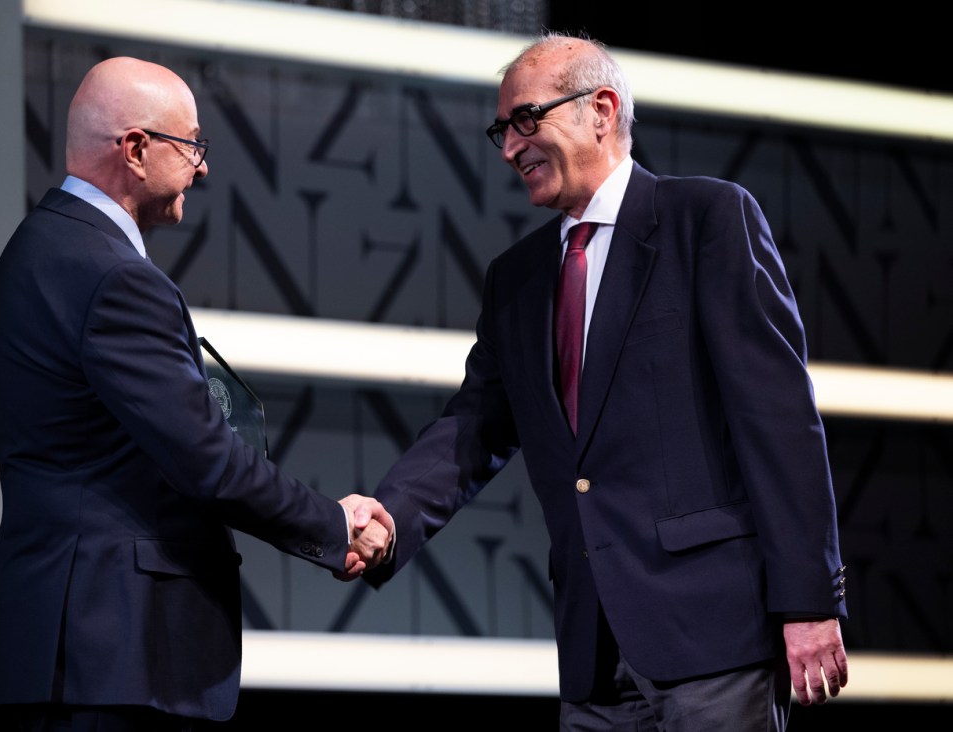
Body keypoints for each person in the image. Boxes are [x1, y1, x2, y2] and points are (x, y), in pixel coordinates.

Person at [359, 32, 848, 730]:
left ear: (602, 109)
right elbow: (471, 428)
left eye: (526, 119)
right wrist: (386, 519)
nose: (508, 148)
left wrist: (808, 600)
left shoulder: (705, 219)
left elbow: (779, 423)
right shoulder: (516, 280)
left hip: (714, 634)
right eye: (502, 129)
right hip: (593, 645)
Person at [0, 56, 393, 730]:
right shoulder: (113, 277)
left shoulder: (35, 251)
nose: (202, 168)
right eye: (192, 145)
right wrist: (333, 523)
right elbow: (206, 457)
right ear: (137, 149)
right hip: (122, 656)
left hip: (64, 649)